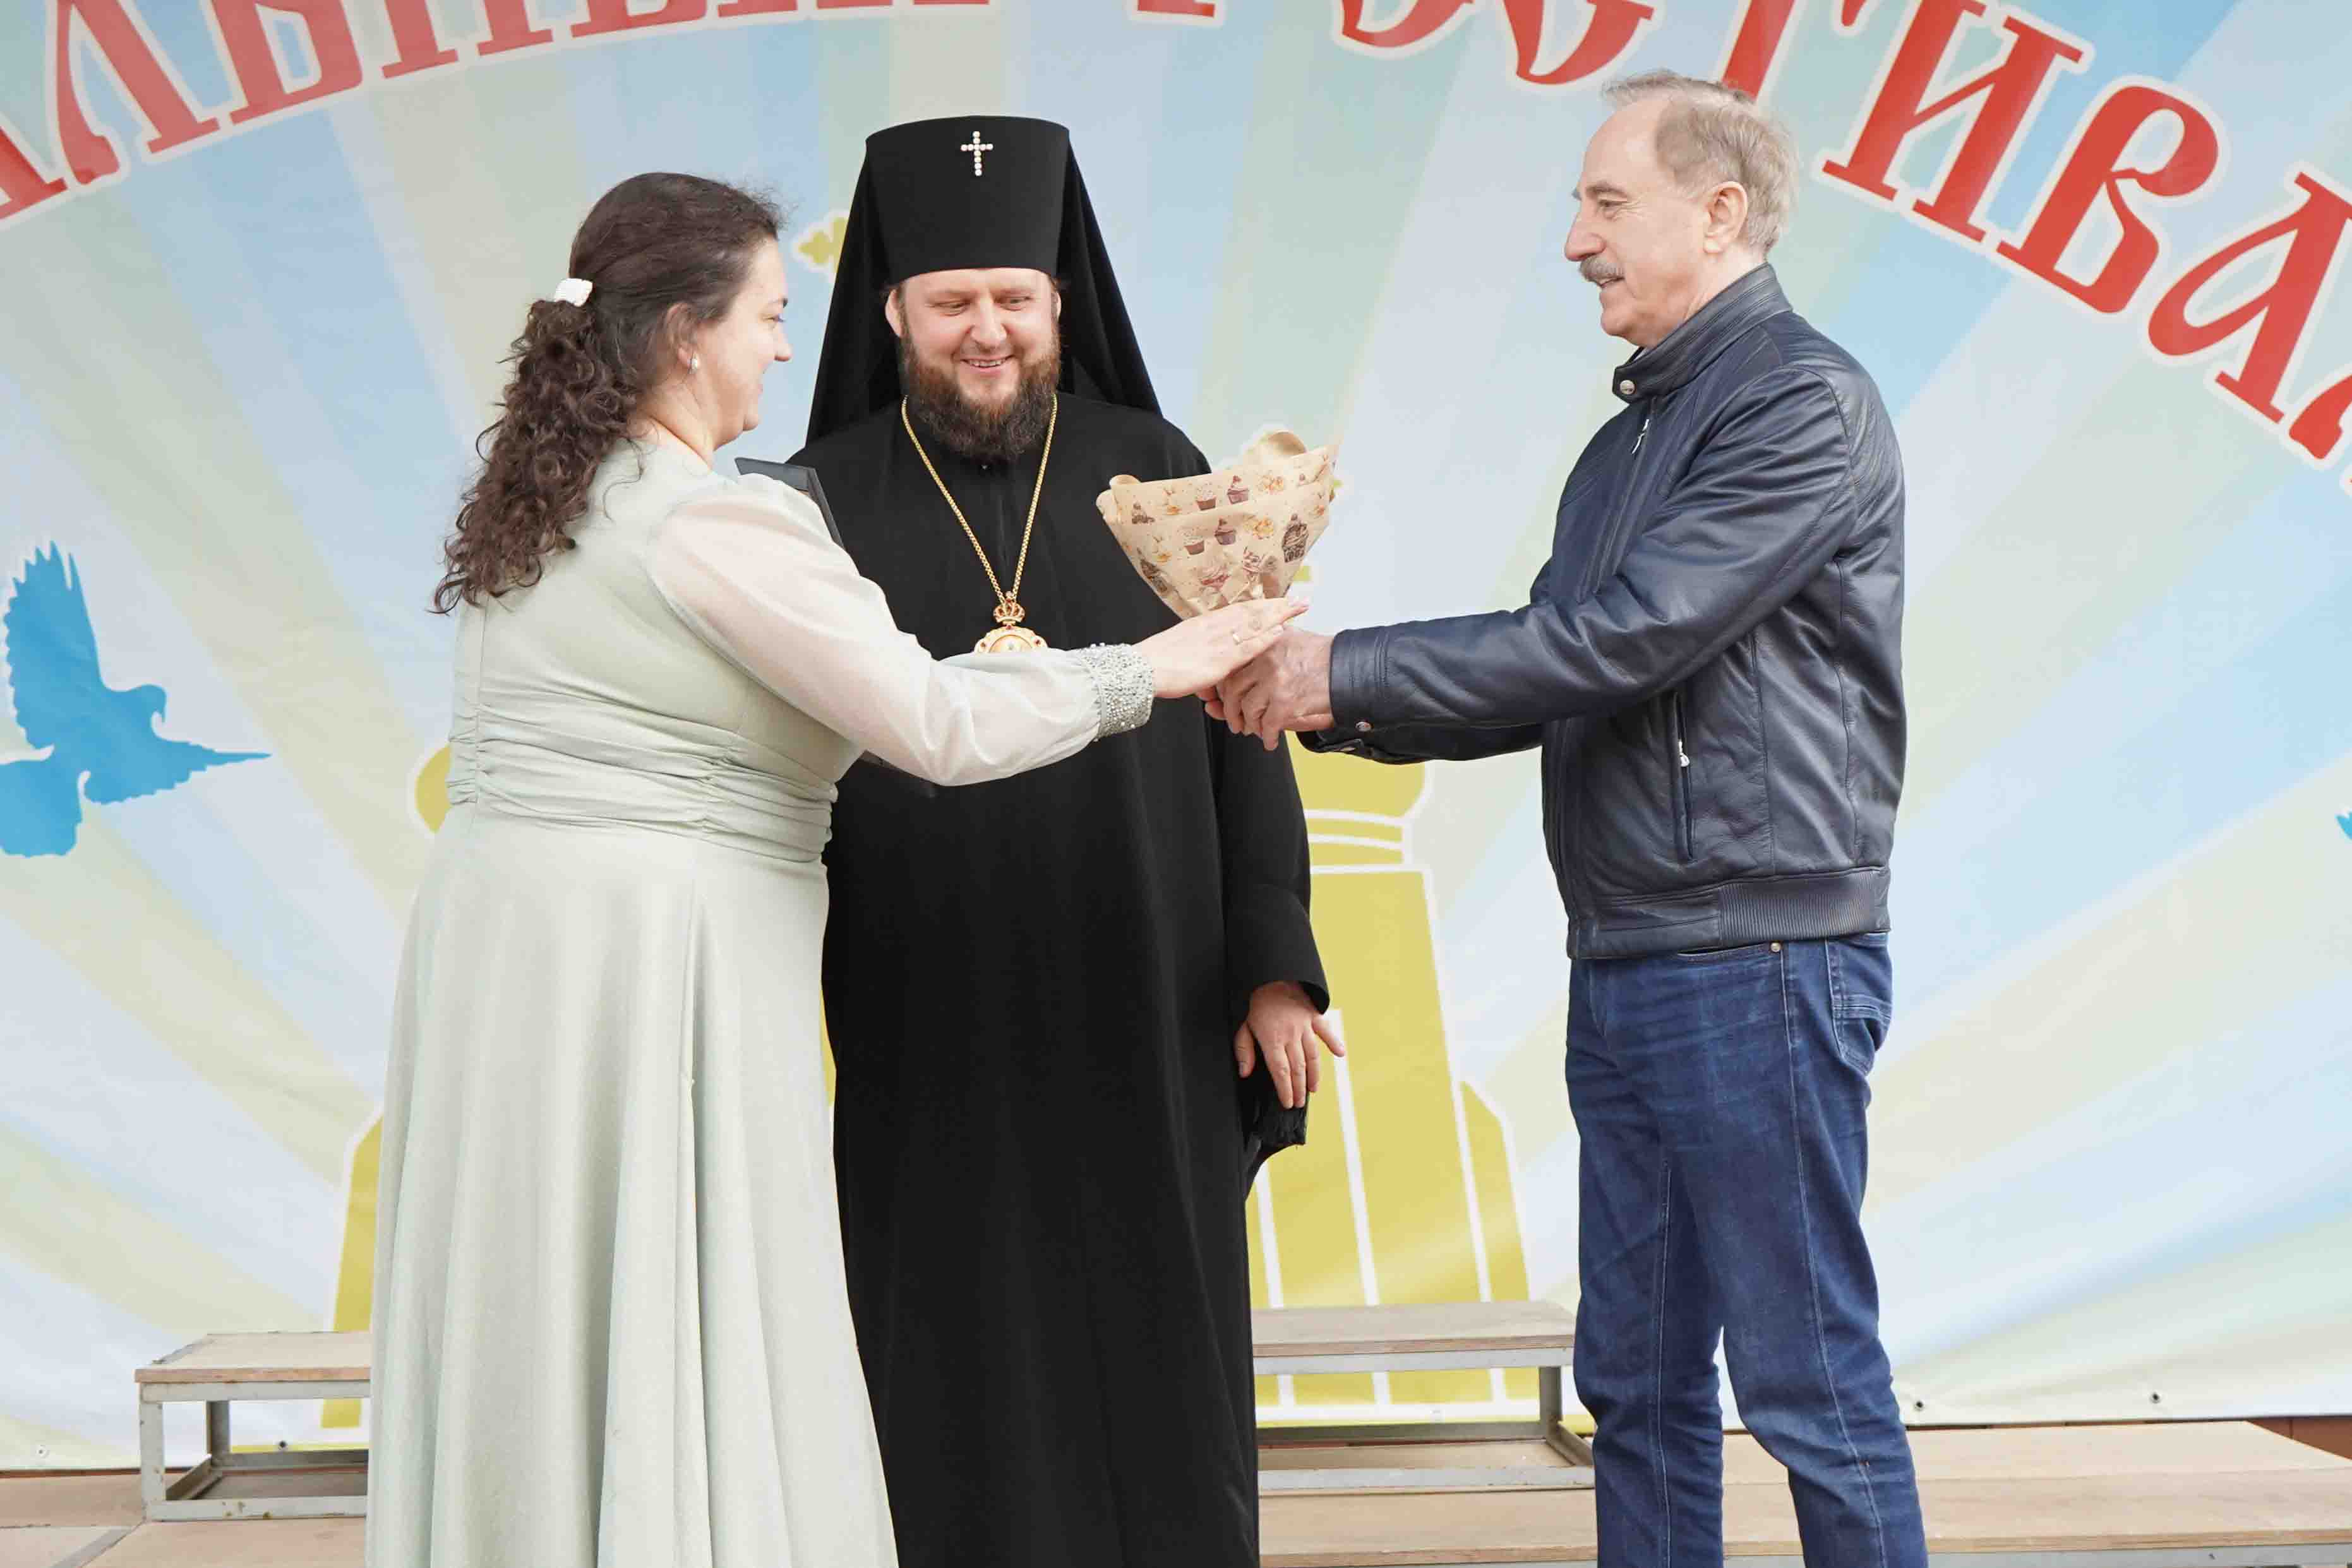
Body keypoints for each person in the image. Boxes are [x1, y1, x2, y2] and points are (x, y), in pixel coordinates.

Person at [366, 171, 1299, 1568]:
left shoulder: (544, 502)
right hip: (655, 961)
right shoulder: (717, 520)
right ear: (687, 333)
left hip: (514, 953)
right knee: (671, 1297)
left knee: (549, 1299)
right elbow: (932, 721)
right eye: (767, 315)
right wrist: (1149, 669)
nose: (785, 347)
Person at [1215, 72, 1928, 1568]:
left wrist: (1339, 668)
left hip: (1756, 961)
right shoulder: (1630, 443)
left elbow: (1622, 640)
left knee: (1804, 1382)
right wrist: (1313, 700)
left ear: (1717, 213)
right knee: (1636, 1382)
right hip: (1637, 959)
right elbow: (1558, 674)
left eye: (1605, 203)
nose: (1573, 241)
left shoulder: (1797, 403)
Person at [769, 116, 1339, 1568]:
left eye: (1013, 299)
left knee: (1157, 1340)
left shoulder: (1154, 466)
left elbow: (1247, 722)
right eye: (951, 301)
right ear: (891, 311)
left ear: (1058, 305)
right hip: (919, 1003)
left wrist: (1273, 963)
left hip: (1147, 984)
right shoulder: (818, 499)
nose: (986, 332)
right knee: (937, 1336)